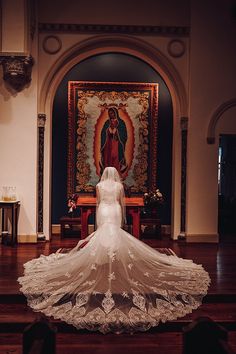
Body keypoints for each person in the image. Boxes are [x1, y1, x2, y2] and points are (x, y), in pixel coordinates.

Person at [18, 167, 210, 334]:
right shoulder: (119, 187)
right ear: (116, 176)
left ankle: (102, 258)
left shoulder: (100, 187)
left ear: (103, 175)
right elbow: (120, 201)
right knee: (115, 232)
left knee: (103, 233)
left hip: (103, 210)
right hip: (115, 210)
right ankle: (116, 258)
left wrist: (104, 206)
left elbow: (99, 201)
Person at [100, 107, 128, 176]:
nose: (110, 115)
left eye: (112, 113)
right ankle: (107, 175)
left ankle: (116, 174)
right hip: (108, 143)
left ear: (115, 113)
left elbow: (124, 134)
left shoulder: (121, 122)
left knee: (115, 156)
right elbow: (103, 133)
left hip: (116, 143)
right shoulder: (107, 122)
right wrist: (108, 130)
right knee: (108, 157)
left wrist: (117, 131)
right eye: (109, 113)